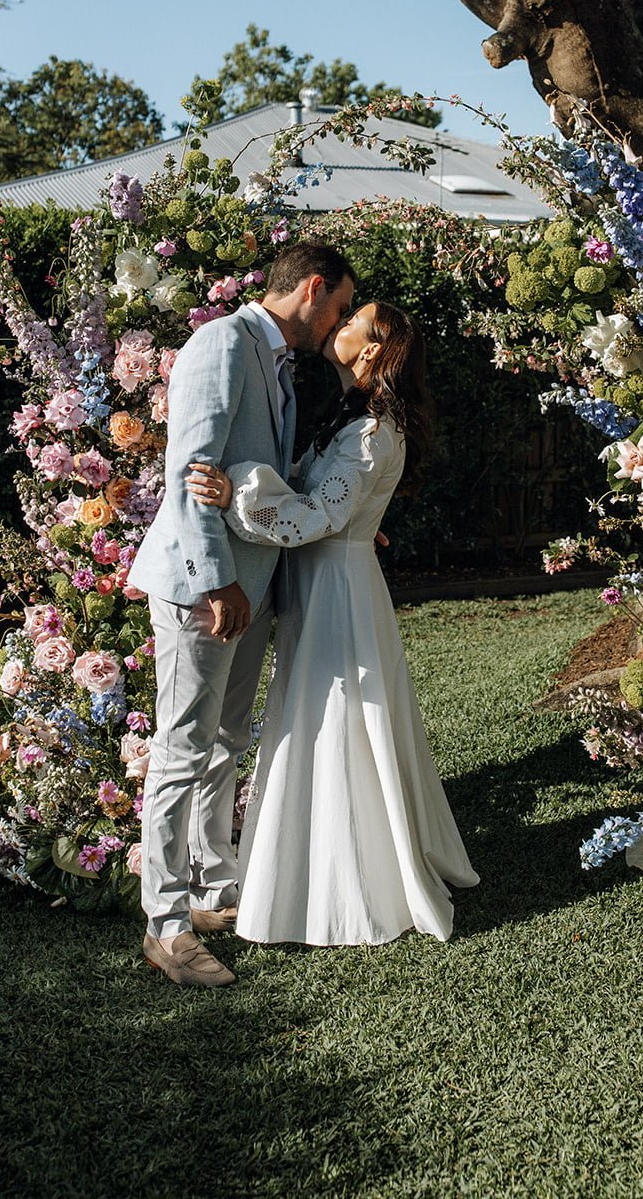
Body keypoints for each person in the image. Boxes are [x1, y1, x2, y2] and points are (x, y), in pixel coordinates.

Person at [186, 301, 478, 946]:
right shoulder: (352, 419)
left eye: (352, 322)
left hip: (338, 591)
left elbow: (317, 515)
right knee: (320, 713)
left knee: (337, 717)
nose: (336, 325)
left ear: (370, 351)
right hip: (323, 580)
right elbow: (327, 501)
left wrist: (237, 495)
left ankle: (348, 880)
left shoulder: (371, 431)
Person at [128, 241, 356, 987]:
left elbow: (263, 476)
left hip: (250, 585)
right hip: (206, 588)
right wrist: (217, 583)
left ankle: (211, 889)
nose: (340, 323)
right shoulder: (222, 342)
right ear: (313, 289)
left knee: (226, 739)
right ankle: (164, 927)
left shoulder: (280, 361)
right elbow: (189, 472)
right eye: (340, 307)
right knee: (182, 747)